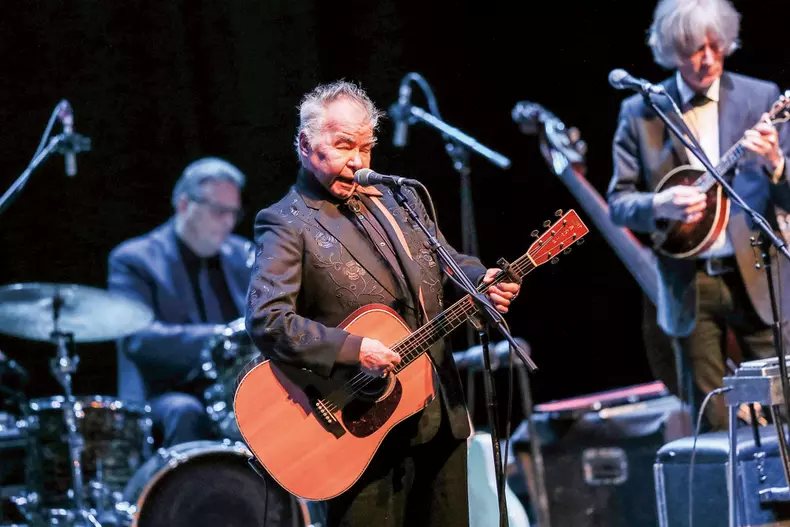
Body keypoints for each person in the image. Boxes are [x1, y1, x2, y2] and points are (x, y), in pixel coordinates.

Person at [245, 80, 521, 527]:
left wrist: (481, 281)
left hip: (439, 413)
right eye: (342, 146)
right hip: (355, 427)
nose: (356, 161)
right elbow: (267, 319)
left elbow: (447, 263)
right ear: (304, 144)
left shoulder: (400, 199)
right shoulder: (286, 222)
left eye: (366, 147)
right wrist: (354, 349)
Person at [607, 0, 790, 430]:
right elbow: (619, 203)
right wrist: (659, 206)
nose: (706, 58)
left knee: (782, 407)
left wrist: (776, 164)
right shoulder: (640, 112)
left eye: (715, 45)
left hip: (757, 272)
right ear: (671, 50)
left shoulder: (759, 97)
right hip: (689, 283)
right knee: (715, 418)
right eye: (692, 48)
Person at [108, 157, 253, 447]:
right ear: (184, 205)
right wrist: (221, 337)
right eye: (219, 212)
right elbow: (138, 339)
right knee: (184, 411)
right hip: (163, 394)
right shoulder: (135, 259)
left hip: (231, 390)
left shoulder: (243, 255)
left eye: (233, 214)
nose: (228, 223)